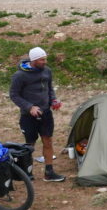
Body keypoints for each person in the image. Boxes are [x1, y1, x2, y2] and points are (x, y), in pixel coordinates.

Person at [9, 46, 66, 182]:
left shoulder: (47, 71)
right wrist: (29, 107)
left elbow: (49, 88)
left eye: (45, 59)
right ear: (33, 60)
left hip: (46, 113)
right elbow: (14, 95)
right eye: (42, 60)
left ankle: (49, 172)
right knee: (29, 145)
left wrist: (53, 100)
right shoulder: (20, 75)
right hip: (28, 116)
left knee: (48, 141)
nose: (45, 62)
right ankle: (27, 173)